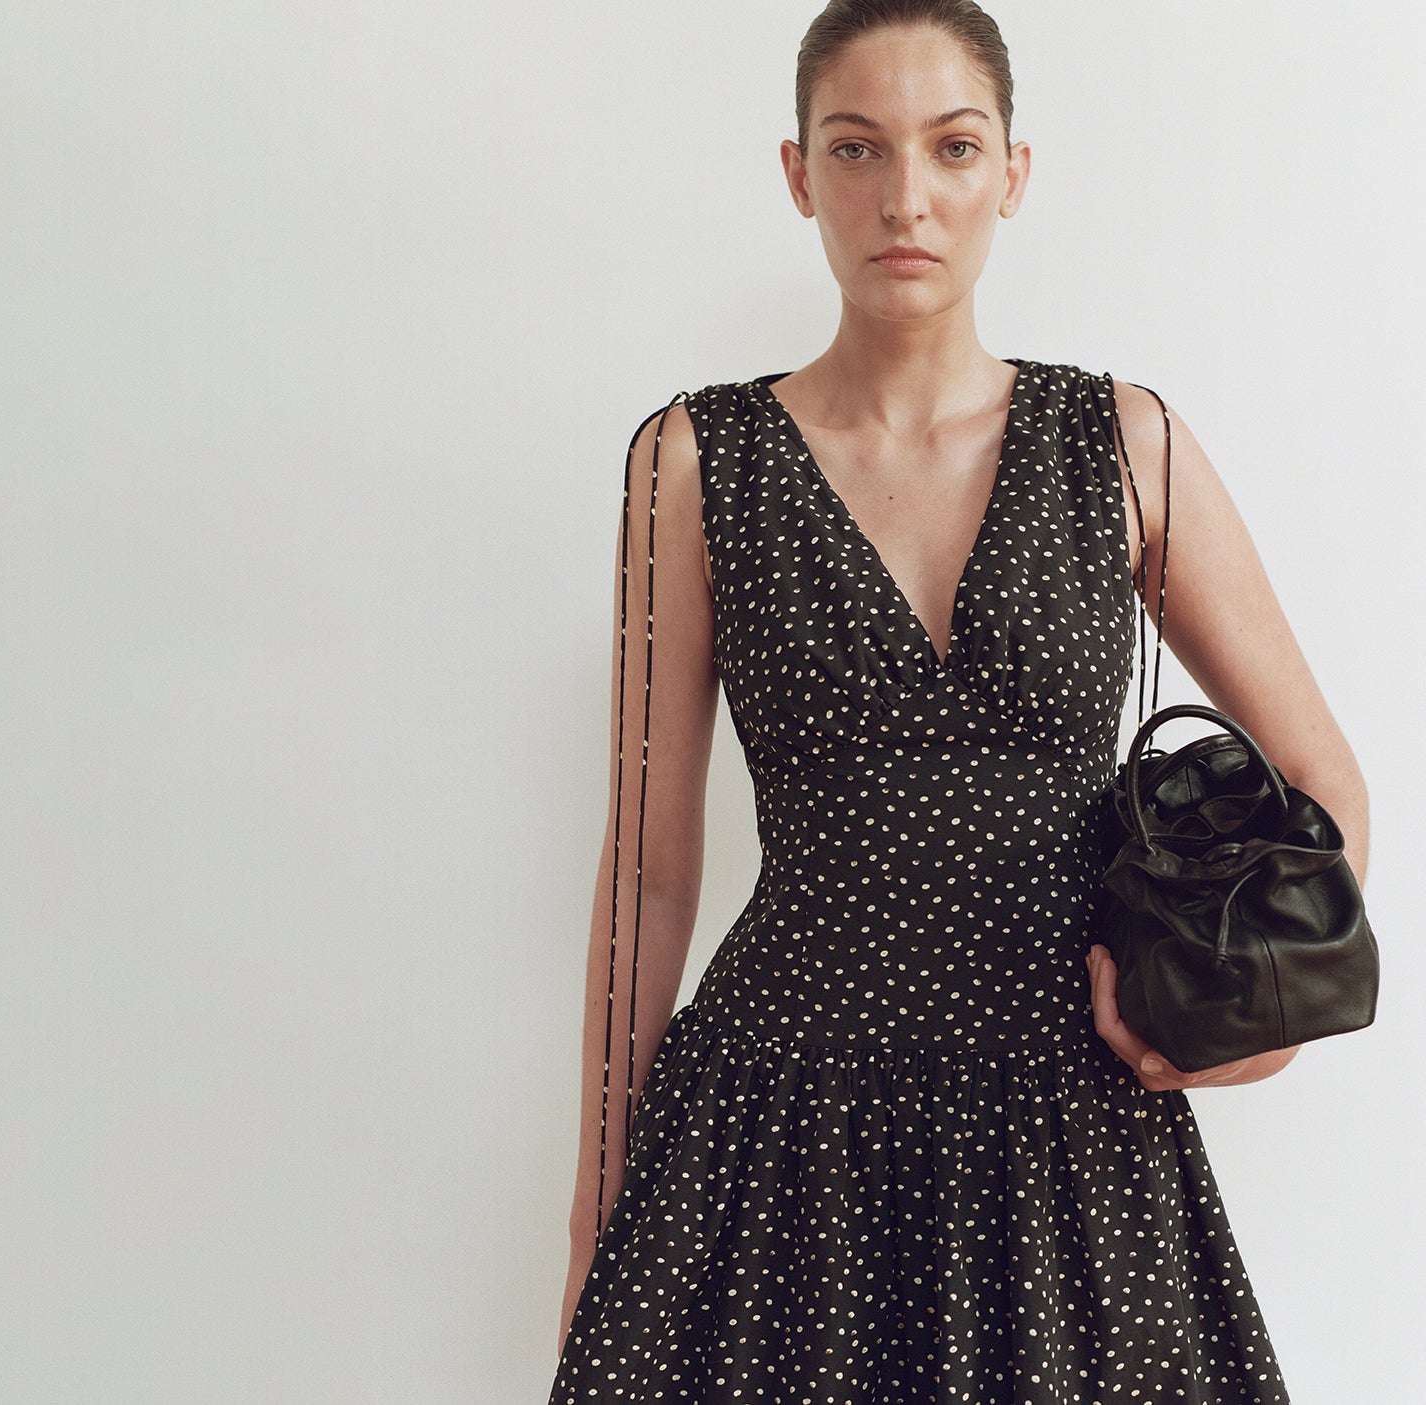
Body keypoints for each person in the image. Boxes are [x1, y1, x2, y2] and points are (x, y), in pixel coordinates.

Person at [551, 2, 1369, 1399]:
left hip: (1070, 1136)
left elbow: (1322, 783)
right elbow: (648, 875)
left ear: (1014, 173)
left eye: (952, 146)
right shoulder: (692, 460)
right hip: (781, 1134)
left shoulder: (1125, 445)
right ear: (799, 173)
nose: (906, 198)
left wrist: (1264, 1023)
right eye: (856, 148)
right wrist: (595, 1216)